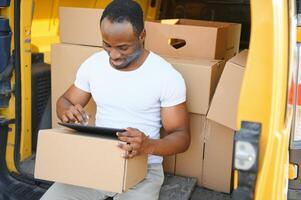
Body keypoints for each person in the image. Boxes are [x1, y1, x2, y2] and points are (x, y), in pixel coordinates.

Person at [41, 0, 190, 199]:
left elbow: (181, 136)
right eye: (107, 45)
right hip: (97, 160)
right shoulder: (93, 64)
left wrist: (148, 146)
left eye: (123, 47)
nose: (113, 55)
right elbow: (65, 100)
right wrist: (67, 111)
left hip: (144, 169)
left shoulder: (166, 76)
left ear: (142, 36)